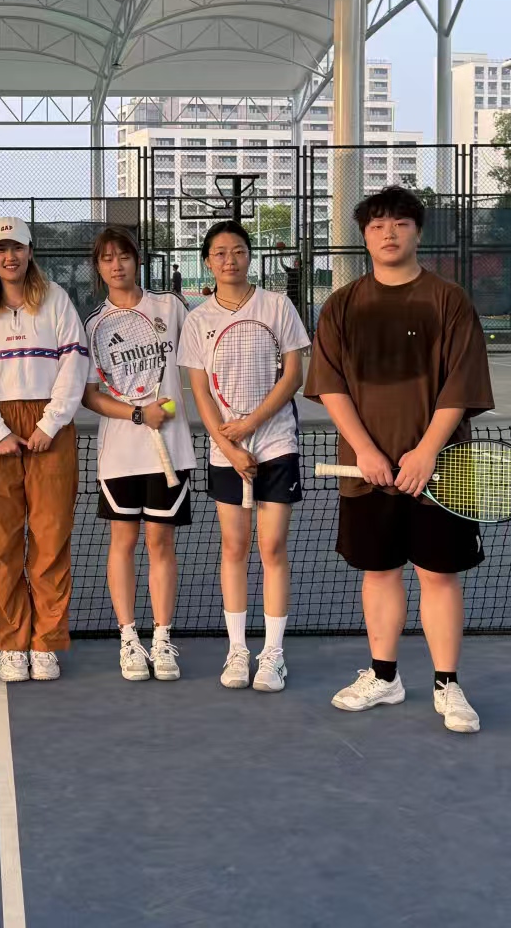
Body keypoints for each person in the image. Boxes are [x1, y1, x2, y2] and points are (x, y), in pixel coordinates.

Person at [304, 186, 495, 733]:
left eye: (400, 223)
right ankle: (384, 676)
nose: (389, 233)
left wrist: (427, 452)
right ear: (364, 237)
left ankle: (447, 684)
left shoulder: (448, 299)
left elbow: (460, 385)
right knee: (380, 571)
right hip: (367, 474)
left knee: (438, 575)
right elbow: (331, 385)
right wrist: (366, 450)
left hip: (442, 471)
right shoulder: (342, 305)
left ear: (418, 231)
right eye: (377, 225)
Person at [178, 219, 309, 693]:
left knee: (272, 548)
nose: (229, 259)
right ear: (207, 262)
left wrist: (251, 424)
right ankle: (238, 650)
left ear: (249, 256)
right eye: (219, 253)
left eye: (237, 250)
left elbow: (293, 375)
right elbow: (200, 392)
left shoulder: (277, 305)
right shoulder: (198, 321)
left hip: (276, 443)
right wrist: (230, 447)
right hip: (227, 452)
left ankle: (273, 654)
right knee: (234, 548)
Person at [0, 215, 89, 683]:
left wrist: (50, 424)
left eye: (17, 247)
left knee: (51, 537)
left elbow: (74, 364)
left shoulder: (56, 299)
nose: (10, 256)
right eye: (1, 249)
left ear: (30, 251)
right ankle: (12, 642)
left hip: (49, 429)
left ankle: (46, 642)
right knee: (1, 542)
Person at [81, 226, 195, 681]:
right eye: (107, 258)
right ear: (99, 267)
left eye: (124, 256)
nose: (117, 265)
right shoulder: (93, 325)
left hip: (172, 451)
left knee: (160, 543)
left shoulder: (170, 308)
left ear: (137, 259)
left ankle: (162, 639)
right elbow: (90, 395)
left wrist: (168, 409)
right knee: (124, 543)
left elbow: (199, 366)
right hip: (120, 455)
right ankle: (129, 639)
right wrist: (136, 413)